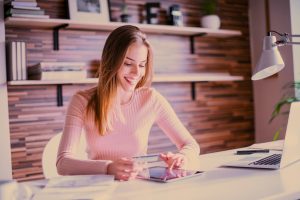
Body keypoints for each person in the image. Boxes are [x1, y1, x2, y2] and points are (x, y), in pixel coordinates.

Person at [56, 25, 200, 181]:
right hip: (99, 188)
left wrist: (182, 157)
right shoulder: (82, 101)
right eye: (128, 63)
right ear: (112, 61)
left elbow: (190, 144)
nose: (137, 73)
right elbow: (63, 164)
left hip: (141, 188)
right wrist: (108, 168)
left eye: (142, 65)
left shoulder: (151, 99)